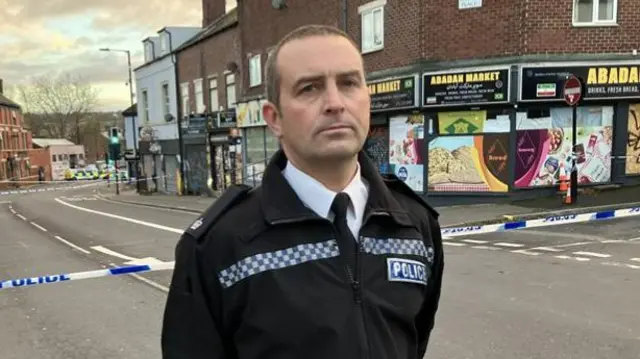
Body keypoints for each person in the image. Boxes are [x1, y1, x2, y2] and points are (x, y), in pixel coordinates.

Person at [161, 24, 444, 359]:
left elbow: (413, 342)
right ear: (274, 117)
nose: (335, 103)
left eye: (349, 83)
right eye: (309, 88)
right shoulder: (218, 245)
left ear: (368, 98)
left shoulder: (414, 224)